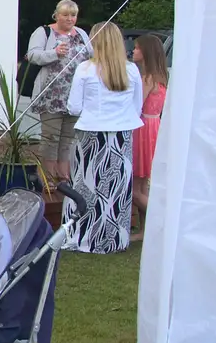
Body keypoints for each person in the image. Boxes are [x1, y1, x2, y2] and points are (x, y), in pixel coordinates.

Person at [67, 22, 143, 254]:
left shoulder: (85, 69)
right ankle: (114, 238)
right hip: (121, 135)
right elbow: (137, 106)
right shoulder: (130, 70)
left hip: (91, 134)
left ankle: (83, 237)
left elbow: (73, 107)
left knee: (86, 186)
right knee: (116, 187)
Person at [25, 0, 93, 186]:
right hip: (51, 95)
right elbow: (32, 55)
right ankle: (47, 178)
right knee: (51, 137)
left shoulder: (81, 33)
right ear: (57, 15)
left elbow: (92, 56)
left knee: (68, 138)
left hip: (74, 96)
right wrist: (54, 53)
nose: (70, 19)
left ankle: (63, 176)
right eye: (65, 15)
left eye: (73, 15)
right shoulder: (44, 32)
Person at [131, 34, 169, 236]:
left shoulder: (147, 78)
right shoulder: (161, 77)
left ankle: (162, 221)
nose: (133, 51)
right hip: (154, 126)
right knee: (144, 186)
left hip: (143, 129)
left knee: (136, 190)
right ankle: (145, 231)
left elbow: (137, 107)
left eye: (137, 48)